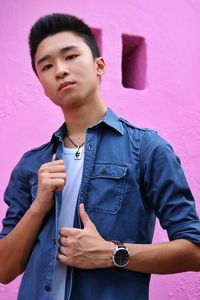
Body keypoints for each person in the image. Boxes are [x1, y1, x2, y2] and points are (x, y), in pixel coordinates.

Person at [0, 13, 199, 300]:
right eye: (46, 66)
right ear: (42, 86)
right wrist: (39, 204)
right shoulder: (31, 165)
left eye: (70, 56)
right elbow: (5, 269)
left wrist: (112, 253)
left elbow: (194, 250)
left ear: (99, 65)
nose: (59, 70)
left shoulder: (147, 149)